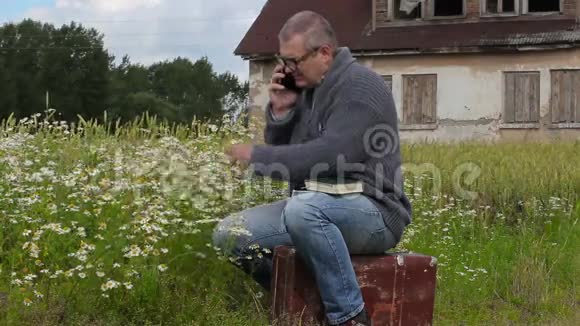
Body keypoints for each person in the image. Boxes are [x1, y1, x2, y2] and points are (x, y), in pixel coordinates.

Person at [214, 10, 412, 326]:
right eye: (284, 61)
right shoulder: (308, 92)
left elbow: (331, 155)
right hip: (314, 206)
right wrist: (280, 111)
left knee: (302, 210)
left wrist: (258, 157)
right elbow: (291, 159)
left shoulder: (361, 86)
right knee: (230, 234)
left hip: (374, 210)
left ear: (324, 53)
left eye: (294, 61)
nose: (287, 70)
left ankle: (349, 317)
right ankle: (298, 304)